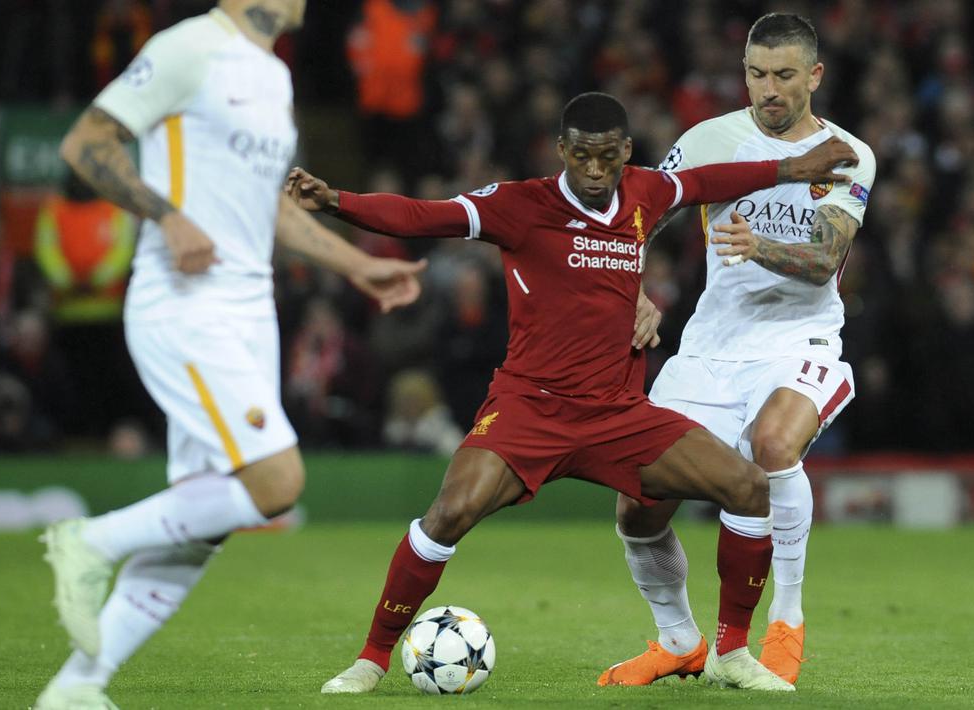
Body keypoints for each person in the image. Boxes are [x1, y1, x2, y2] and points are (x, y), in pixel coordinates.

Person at [286, 91, 857, 693]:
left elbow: (709, 180)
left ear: (626, 153)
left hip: (618, 414)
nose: (593, 169)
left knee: (746, 488)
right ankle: (371, 659)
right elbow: (423, 215)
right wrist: (335, 201)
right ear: (562, 151)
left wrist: (794, 168)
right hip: (531, 408)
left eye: (606, 156)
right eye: (581, 155)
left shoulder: (645, 193)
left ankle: (731, 652)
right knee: (447, 514)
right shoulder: (520, 205)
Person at [35, 2, 426, 709]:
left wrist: (356, 265)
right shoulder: (188, 48)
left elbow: (269, 208)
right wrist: (166, 214)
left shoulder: (271, 77)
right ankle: (89, 539)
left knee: (202, 525)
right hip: (187, 302)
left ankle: (77, 688)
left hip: (247, 312)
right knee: (276, 482)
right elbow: (86, 143)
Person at [597, 13, 876, 688]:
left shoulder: (848, 153)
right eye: (756, 74)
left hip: (798, 340)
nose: (767, 90)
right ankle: (678, 641)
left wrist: (760, 247)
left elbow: (822, 260)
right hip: (711, 347)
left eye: (783, 75)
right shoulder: (707, 141)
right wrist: (628, 291)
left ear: (813, 75)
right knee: (638, 504)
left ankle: (784, 622)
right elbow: (632, 219)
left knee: (773, 446)